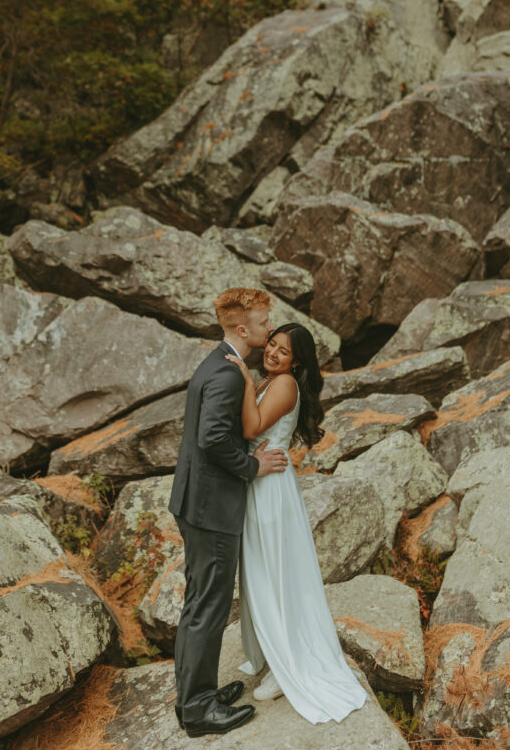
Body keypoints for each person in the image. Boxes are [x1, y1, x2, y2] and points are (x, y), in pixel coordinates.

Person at [226, 322, 371, 724]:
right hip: (258, 480)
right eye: (271, 344)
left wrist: (240, 375)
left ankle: (287, 662)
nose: (272, 352)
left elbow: (252, 428)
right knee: (258, 571)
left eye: (283, 350)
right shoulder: (267, 380)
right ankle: (270, 651)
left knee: (274, 573)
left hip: (270, 487)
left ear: (296, 361)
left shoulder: (284, 384)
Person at [168, 287, 289, 738]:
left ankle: (191, 697)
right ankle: (198, 711)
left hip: (196, 502)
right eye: (262, 323)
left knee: (199, 602)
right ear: (243, 328)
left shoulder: (218, 363)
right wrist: (253, 467)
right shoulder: (226, 375)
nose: (268, 328)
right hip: (211, 509)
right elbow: (213, 439)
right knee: (208, 608)